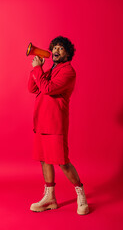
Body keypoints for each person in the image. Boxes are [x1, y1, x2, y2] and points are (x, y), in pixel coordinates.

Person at [28, 36, 89, 215]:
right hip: (41, 121)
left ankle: (80, 193)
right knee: (44, 159)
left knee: (62, 162)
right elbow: (32, 88)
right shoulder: (48, 70)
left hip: (55, 123)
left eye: (61, 48)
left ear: (67, 53)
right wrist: (35, 68)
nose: (56, 50)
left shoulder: (68, 72)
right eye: (54, 47)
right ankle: (50, 198)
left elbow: (47, 89)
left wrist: (38, 69)